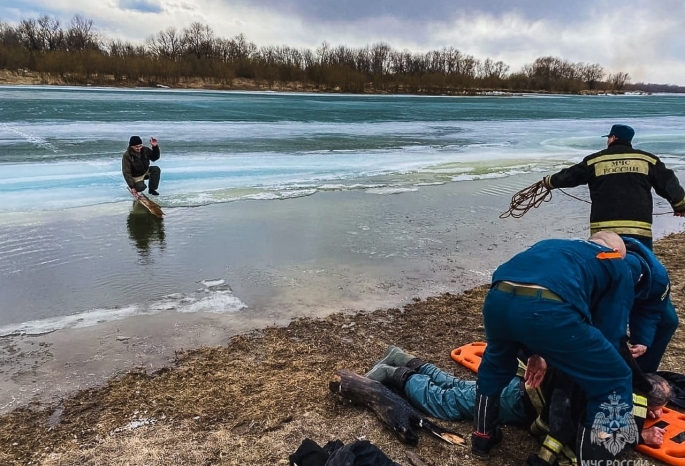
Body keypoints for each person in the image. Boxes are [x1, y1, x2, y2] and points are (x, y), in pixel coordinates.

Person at [470, 231, 638, 462]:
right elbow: (611, 327)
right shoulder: (613, 261)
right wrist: (596, 360)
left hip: (498, 298)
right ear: (616, 252)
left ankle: (482, 437)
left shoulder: (551, 244)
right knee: (614, 379)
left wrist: (536, 351)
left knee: (495, 365)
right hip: (549, 310)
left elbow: (531, 294)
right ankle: (595, 457)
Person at [365, 346, 670, 452]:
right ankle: (393, 372)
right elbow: (589, 432)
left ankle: (405, 359)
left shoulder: (615, 378)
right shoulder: (615, 400)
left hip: (522, 388)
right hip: (520, 399)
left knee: (460, 388)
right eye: (653, 409)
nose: (653, 414)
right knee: (446, 402)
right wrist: (639, 437)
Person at [542, 124, 685, 250]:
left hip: (603, 228)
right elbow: (668, 183)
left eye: (609, 137)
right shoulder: (647, 160)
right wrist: (679, 205)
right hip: (638, 227)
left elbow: (571, 176)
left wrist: (550, 181)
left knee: (605, 266)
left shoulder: (596, 160)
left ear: (613, 138)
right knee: (642, 262)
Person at [624, 237, 677, 373]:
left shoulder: (658, 279)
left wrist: (642, 341)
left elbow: (650, 311)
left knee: (668, 322)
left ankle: (641, 374)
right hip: (607, 235)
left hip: (640, 234)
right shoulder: (600, 271)